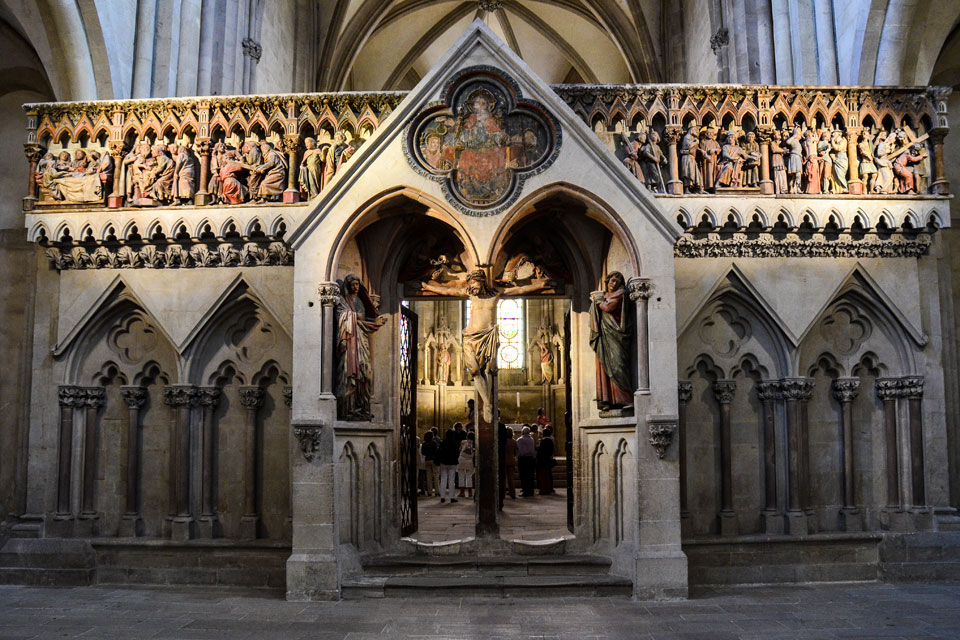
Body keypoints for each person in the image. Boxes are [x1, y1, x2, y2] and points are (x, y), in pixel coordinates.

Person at [589, 272, 633, 411]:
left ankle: (626, 398)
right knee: (604, 365)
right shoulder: (605, 296)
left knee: (618, 365)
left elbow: (608, 308)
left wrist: (598, 301)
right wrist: (598, 300)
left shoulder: (620, 293)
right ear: (607, 280)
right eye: (612, 280)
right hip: (604, 336)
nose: (613, 284)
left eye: (617, 282)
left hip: (617, 335)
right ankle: (607, 399)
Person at [437, 428, 460, 504]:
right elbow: (457, 453)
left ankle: (442, 497)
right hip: (452, 463)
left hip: (443, 463)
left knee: (443, 479)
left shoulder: (443, 442)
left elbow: (439, 452)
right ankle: (452, 497)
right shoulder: (455, 443)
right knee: (451, 480)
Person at [517, 426, 536, 497]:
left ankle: (525, 491)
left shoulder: (519, 440)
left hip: (523, 459)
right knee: (530, 475)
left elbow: (518, 449)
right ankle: (531, 491)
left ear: (522, 432)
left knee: (523, 476)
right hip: (530, 459)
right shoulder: (531, 439)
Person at [537, 426, 556, 495]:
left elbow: (540, 450)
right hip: (548, 459)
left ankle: (543, 490)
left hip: (542, 460)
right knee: (547, 475)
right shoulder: (550, 440)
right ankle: (548, 489)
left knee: (542, 476)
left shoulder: (543, 440)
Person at [421, 431, 439, 497]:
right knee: (436, 476)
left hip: (427, 460)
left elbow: (423, 453)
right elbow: (436, 451)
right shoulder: (434, 443)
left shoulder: (424, 444)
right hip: (434, 460)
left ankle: (429, 492)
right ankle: (437, 491)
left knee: (428, 477)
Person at [457, 431, 475, 499]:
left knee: (461, 476)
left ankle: (462, 492)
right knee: (469, 477)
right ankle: (470, 493)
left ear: (467, 436)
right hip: (469, 461)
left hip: (461, 460)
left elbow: (459, 450)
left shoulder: (463, 442)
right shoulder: (474, 444)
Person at [503, 425, 517, 499]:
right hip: (511, 460)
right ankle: (513, 493)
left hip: (504, 460)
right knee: (511, 478)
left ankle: (503, 494)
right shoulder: (514, 441)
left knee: (504, 478)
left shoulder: (503, 441)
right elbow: (515, 452)